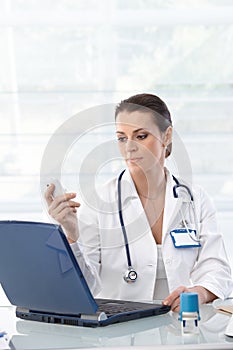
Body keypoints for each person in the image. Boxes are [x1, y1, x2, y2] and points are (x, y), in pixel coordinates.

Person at [45, 93, 233, 312]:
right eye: (122, 138)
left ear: (167, 136)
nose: (129, 147)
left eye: (141, 136)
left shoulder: (195, 199)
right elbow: (87, 285)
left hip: (180, 326)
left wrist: (199, 292)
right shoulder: (99, 202)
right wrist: (71, 234)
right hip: (119, 334)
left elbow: (217, 267)